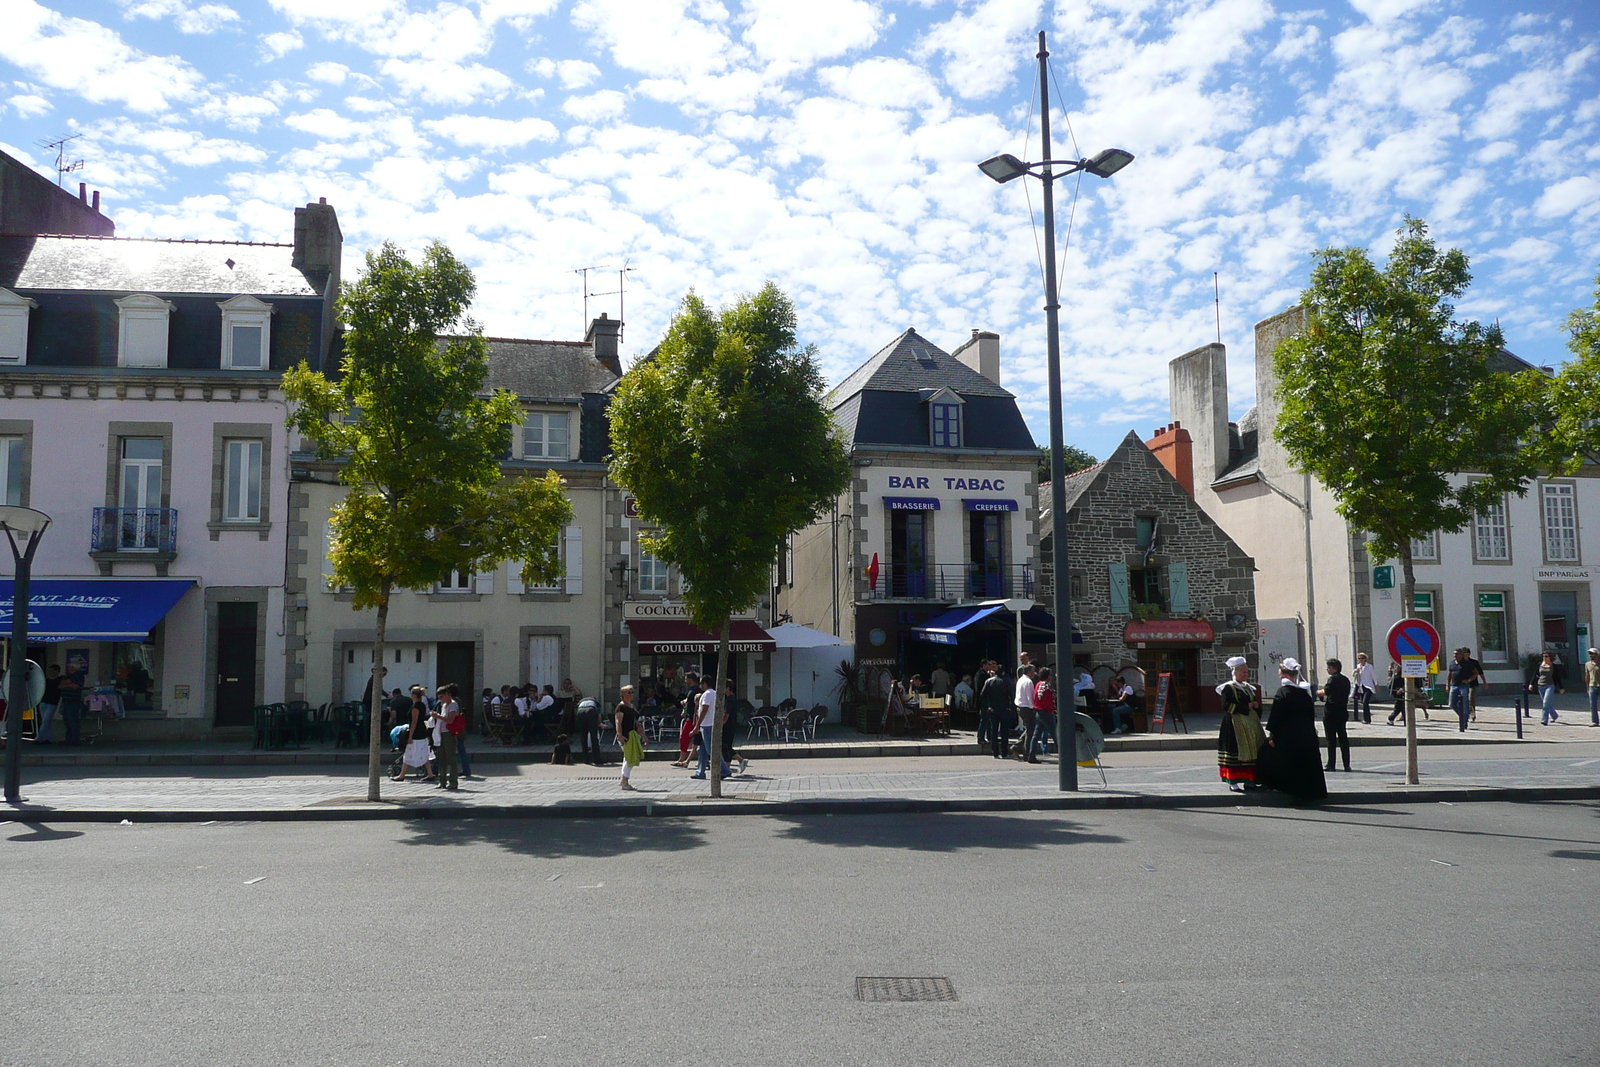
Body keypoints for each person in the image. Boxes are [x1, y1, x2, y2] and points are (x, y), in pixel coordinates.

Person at [1255, 659, 1328, 801]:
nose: (1279, 676)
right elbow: (1310, 715)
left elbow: (1276, 715)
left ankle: (1278, 785)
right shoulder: (1304, 694)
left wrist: (1272, 735)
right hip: (1306, 736)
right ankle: (1311, 793)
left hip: (1288, 736)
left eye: (1280, 673)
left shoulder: (1283, 692)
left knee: (1267, 755)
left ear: (1285, 675)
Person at [1216, 655, 1265, 792]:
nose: (1246, 674)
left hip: (1250, 725)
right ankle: (1233, 781)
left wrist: (1256, 706)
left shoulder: (1248, 688)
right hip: (1234, 725)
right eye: (1243, 672)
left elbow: (1255, 704)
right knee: (1236, 752)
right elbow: (1226, 706)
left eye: (1247, 672)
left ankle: (1250, 781)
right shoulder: (1229, 688)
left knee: (1253, 751)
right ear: (1235, 672)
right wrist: (1246, 707)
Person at [691, 679, 731, 780]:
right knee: (703, 751)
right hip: (711, 724)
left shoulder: (707, 694)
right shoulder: (715, 693)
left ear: (705, 684)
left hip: (706, 725)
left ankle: (725, 770)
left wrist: (697, 725)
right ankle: (700, 772)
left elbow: (704, 710)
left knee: (711, 750)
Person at [1319, 658, 1352, 772]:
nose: (1327, 669)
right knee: (1343, 738)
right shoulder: (1346, 680)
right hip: (1342, 711)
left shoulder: (1332, 679)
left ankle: (1331, 764)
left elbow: (1326, 691)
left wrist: (1319, 693)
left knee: (1331, 739)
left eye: (1329, 667)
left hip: (1331, 712)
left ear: (1334, 668)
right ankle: (1346, 764)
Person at [429, 683, 462, 791]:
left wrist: (438, 716)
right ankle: (441, 780)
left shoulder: (453, 705)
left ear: (447, 694)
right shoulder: (444, 705)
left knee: (451, 758)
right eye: (439, 698)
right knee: (441, 758)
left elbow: (450, 720)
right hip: (441, 733)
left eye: (442, 697)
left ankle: (453, 781)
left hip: (449, 733)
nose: (441, 699)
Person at [979, 664, 1011, 759]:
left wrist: (987, 707)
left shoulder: (989, 681)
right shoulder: (1007, 682)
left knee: (994, 731)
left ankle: (995, 751)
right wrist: (1010, 707)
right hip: (1004, 709)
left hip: (993, 709)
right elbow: (1012, 695)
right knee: (1005, 731)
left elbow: (982, 695)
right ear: (1003, 672)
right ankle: (1004, 751)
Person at [615, 684, 643, 790]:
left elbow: (636, 722)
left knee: (629, 758)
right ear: (623, 695)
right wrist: (620, 735)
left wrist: (643, 735)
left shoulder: (631, 706)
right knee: (629, 758)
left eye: (632, 692)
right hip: (626, 735)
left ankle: (624, 780)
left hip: (633, 735)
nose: (631, 694)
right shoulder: (621, 707)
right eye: (629, 692)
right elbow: (618, 722)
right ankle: (624, 781)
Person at [1028, 667, 1056, 762]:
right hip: (1046, 712)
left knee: (1036, 735)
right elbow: (1047, 701)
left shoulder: (1038, 684)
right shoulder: (1047, 686)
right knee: (1055, 734)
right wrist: (1051, 710)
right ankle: (1064, 754)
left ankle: (1031, 755)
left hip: (1038, 711)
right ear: (1048, 677)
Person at [1446, 648, 1477, 733]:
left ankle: (1464, 722)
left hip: (1463, 685)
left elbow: (1475, 672)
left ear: (1461, 655)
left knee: (1465, 703)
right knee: (1451, 704)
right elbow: (1449, 674)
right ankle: (1462, 717)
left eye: (1457, 654)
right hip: (1454, 685)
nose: (1455, 655)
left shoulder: (1466, 663)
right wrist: (1447, 685)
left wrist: (1469, 680)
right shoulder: (1452, 663)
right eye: (1454, 654)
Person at [57, 656, 85, 746]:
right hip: (66, 700)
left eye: (70, 667)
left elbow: (75, 686)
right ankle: (68, 739)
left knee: (73, 721)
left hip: (73, 701)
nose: (69, 668)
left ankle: (75, 740)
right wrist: (68, 685)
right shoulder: (67, 676)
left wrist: (67, 685)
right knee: (67, 721)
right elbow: (60, 685)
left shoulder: (78, 675)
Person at [1530, 652, 1564, 725]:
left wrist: (1561, 688)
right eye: (1543, 656)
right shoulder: (1539, 665)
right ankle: (1554, 715)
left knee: (1546, 702)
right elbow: (1535, 674)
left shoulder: (1553, 666)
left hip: (1550, 685)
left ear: (1550, 657)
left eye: (1546, 656)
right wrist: (1531, 684)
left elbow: (1557, 677)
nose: (1544, 658)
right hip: (1540, 685)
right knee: (1546, 703)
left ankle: (1544, 720)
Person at [1012, 665, 1037, 759]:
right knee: (1030, 731)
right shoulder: (1028, 682)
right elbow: (1029, 697)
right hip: (1027, 708)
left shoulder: (1020, 680)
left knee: (1029, 729)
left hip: (1020, 706)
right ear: (1029, 672)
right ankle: (1026, 752)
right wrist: (1033, 708)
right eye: (1033, 671)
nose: (1034, 673)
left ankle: (1017, 746)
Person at [34, 664, 61, 744]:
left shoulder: (59, 680)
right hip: (43, 702)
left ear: (57, 671)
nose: (50, 672)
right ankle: (48, 738)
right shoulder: (45, 680)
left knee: (46, 720)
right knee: (46, 721)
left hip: (52, 702)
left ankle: (39, 738)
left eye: (52, 670)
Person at [575, 697, 603, 764]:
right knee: (594, 737)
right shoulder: (596, 703)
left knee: (583, 736)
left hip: (580, 711)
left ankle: (585, 759)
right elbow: (599, 715)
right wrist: (598, 724)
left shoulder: (581, 701)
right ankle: (597, 759)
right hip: (591, 711)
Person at [1352, 653, 1376, 724]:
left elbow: (1373, 676)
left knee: (1365, 702)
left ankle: (1367, 719)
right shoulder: (1358, 666)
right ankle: (1367, 719)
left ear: (1365, 659)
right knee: (1363, 703)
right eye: (1359, 658)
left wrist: (1376, 685)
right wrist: (1355, 671)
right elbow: (1354, 675)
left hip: (1368, 687)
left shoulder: (1369, 667)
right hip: (1361, 687)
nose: (1361, 660)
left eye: (1362, 658)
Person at [1386, 662, 1407, 726]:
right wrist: (1390, 670)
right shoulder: (1394, 674)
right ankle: (1406, 721)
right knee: (1401, 707)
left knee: (1399, 707)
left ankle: (1391, 718)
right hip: (1395, 693)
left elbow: (1406, 683)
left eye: (1397, 667)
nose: (1396, 669)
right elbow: (1389, 680)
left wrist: (1402, 689)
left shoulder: (1402, 675)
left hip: (1401, 693)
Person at [1586, 648, 1600, 728]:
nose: (1591, 655)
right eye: (1590, 654)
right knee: (1592, 705)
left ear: (1597, 654)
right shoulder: (1587, 664)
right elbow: (1587, 676)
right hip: (1592, 686)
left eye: (1592, 653)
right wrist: (1587, 687)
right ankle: (1595, 721)